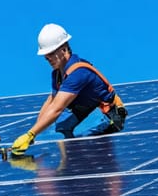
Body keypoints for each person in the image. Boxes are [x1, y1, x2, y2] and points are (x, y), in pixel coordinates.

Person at [11, 24, 127, 155]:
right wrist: (34, 134)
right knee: (54, 131)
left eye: (51, 53)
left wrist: (31, 134)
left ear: (64, 49)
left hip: (106, 116)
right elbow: (51, 102)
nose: (47, 58)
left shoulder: (78, 73)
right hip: (86, 112)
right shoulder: (57, 74)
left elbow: (57, 109)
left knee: (76, 137)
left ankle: (86, 163)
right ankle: (71, 162)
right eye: (45, 55)